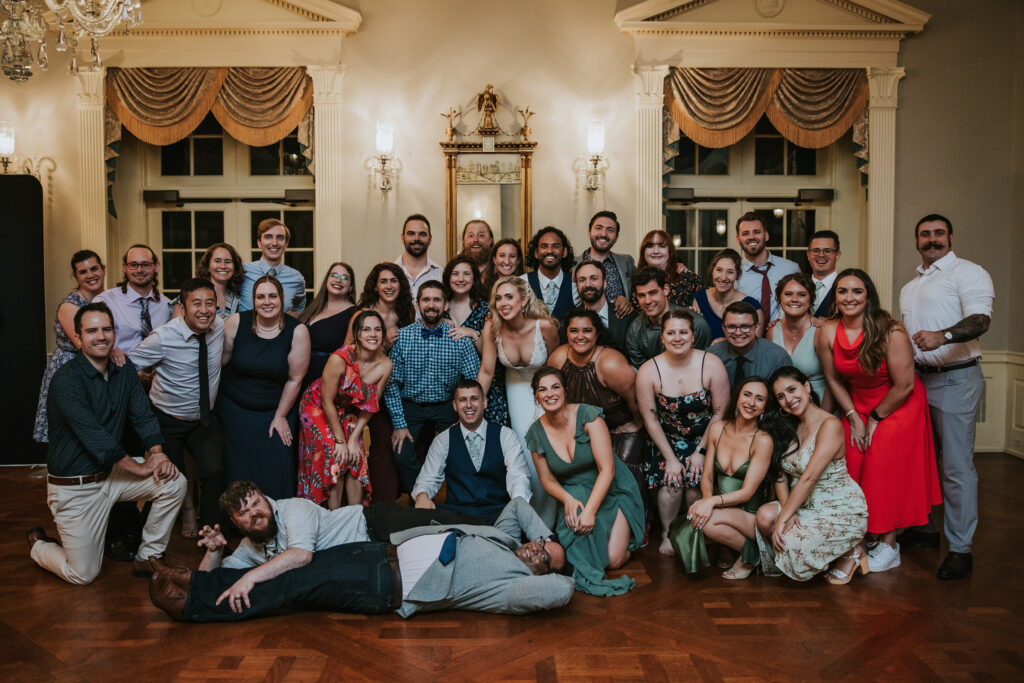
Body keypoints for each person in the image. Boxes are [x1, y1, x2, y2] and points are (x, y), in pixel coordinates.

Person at [149, 484, 572, 621]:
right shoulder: (508, 541)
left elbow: (558, 590)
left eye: (255, 502)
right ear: (237, 524)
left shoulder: (513, 584)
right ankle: (191, 587)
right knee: (454, 517)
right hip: (383, 547)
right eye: (244, 513)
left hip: (375, 536)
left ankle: (193, 605)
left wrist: (572, 570)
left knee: (291, 581)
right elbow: (517, 509)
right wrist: (211, 560)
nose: (254, 512)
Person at [26, 303, 186, 584]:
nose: (100, 336)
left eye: (106, 329)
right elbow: (97, 439)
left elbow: (144, 417)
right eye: (91, 331)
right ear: (78, 337)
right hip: (75, 488)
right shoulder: (66, 381)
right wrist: (139, 469)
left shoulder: (124, 371)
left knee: (174, 482)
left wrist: (158, 455)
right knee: (83, 574)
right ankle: (38, 546)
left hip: (110, 475)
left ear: (115, 332)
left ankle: (148, 557)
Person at [817, 268, 942, 574]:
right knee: (852, 457)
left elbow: (905, 385)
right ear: (835, 297)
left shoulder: (891, 331)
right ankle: (861, 536)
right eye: (842, 291)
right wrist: (852, 416)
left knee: (881, 461)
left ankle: (889, 544)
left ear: (868, 295)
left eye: (857, 291)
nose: (849, 297)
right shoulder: (827, 331)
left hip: (898, 403)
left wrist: (874, 418)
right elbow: (833, 380)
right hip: (856, 402)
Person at [899, 214, 994, 580]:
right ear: (917, 240)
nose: (932, 239)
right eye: (925, 234)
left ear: (951, 237)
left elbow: (981, 320)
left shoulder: (968, 272)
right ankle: (924, 530)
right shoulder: (911, 286)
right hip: (918, 382)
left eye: (939, 233)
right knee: (923, 460)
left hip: (956, 380)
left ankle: (960, 549)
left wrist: (944, 336)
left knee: (956, 468)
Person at [525, 367, 645, 596]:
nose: (550, 394)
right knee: (586, 542)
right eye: (542, 390)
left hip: (611, 486)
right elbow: (547, 480)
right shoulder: (536, 433)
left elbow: (607, 469)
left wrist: (590, 511)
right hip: (574, 491)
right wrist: (567, 499)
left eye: (555, 387)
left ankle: (630, 532)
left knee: (614, 561)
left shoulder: (589, 416)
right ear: (536, 397)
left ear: (565, 390)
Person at [755, 367, 869, 584]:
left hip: (837, 508)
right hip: (805, 505)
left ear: (806, 386)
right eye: (781, 396)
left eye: (792, 389)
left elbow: (809, 477)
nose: (788, 399)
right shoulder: (791, 425)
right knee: (763, 516)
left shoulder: (830, 425)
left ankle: (851, 552)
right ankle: (827, 556)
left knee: (788, 541)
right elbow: (780, 474)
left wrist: (783, 518)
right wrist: (788, 508)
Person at [129, 277, 226, 530]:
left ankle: (211, 536)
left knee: (215, 473)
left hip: (203, 419)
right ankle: (147, 536)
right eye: (196, 304)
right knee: (172, 478)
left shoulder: (220, 328)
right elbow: (127, 369)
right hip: (166, 420)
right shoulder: (162, 337)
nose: (204, 310)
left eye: (210, 303)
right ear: (182, 308)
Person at [636, 310, 730, 555]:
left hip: (705, 437)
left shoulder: (711, 364)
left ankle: (693, 532)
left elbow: (719, 413)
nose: (677, 338)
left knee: (694, 485)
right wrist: (670, 458)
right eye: (671, 332)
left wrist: (701, 451)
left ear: (693, 335)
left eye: (683, 332)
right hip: (665, 439)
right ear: (662, 338)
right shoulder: (648, 370)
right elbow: (650, 419)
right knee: (672, 483)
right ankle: (668, 533)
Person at [477, 275, 561, 525]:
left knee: (550, 447)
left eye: (509, 297)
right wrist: (479, 401)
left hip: (546, 387)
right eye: (498, 298)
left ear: (523, 300)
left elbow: (557, 365)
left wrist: (550, 396)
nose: (503, 302)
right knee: (526, 451)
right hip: (516, 388)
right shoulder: (492, 328)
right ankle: (529, 517)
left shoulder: (544, 326)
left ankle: (552, 521)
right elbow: (487, 371)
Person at [671, 377, 775, 578]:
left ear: (764, 408)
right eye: (747, 395)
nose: (751, 403)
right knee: (692, 522)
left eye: (759, 399)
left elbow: (747, 493)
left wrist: (710, 502)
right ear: (736, 398)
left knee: (707, 523)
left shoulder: (763, 440)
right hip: (723, 508)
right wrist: (707, 501)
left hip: (750, 515)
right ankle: (743, 551)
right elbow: (708, 476)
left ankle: (754, 556)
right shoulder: (717, 429)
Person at [384, 281, 481, 493]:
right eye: (426, 299)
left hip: (447, 404)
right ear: (417, 305)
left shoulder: (459, 338)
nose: (431, 304)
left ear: (446, 305)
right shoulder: (403, 337)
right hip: (411, 405)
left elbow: (474, 381)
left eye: (437, 300)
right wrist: (399, 424)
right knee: (401, 452)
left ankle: (458, 500)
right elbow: (391, 384)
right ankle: (419, 498)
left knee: (461, 453)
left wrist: (467, 415)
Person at [219, 276, 310, 500]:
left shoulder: (298, 331)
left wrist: (280, 416)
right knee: (235, 460)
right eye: (260, 297)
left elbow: (294, 379)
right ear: (253, 300)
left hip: (275, 408)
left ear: (282, 299)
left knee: (277, 453)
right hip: (233, 406)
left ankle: (275, 517)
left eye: (272, 296)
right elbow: (219, 364)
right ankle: (236, 521)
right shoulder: (236, 322)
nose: (266, 302)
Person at [548, 309, 646, 508]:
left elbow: (636, 399)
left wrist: (636, 424)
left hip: (619, 429)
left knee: (623, 474)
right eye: (574, 331)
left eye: (587, 331)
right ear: (566, 333)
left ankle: (638, 522)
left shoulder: (610, 363)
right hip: (583, 432)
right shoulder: (558, 358)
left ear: (596, 334)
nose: (580, 336)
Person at [297, 310, 393, 508]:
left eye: (377, 329)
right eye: (366, 329)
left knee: (355, 455)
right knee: (336, 453)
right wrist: (341, 440)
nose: (373, 334)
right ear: (357, 334)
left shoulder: (385, 365)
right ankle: (334, 517)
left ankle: (354, 518)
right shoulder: (339, 359)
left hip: (348, 409)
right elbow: (326, 401)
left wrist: (353, 439)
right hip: (317, 405)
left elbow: (370, 405)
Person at [345, 262, 416, 504]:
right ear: (375, 285)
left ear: (401, 285)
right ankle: (377, 503)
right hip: (367, 389)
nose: (389, 286)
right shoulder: (361, 314)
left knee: (396, 443)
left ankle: (392, 498)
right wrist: (383, 344)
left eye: (394, 281)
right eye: (383, 281)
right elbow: (348, 354)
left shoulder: (407, 313)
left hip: (399, 390)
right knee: (381, 444)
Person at [412, 380, 532, 521]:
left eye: (474, 398)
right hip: (457, 516)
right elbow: (427, 479)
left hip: (498, 515)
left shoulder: (506, 435)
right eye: (463, 400)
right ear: (455, 405)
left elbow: (519, 476)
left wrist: (518, 506)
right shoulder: (442, 440)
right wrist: (422, 495)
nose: (469, 405)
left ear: (485, 402)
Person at [34, 249, 106, 444]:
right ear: (75, 276)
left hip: (98, 367)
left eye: (94, 268)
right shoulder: (70, 306)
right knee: (71, 429)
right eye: (83, 272)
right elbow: (85, 345)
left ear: (103, 269)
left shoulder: (108, 300)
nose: (90, 275)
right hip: (71, 367)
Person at [626, 267, 712, 368]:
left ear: (666, 290)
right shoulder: (634, 331)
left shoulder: (696, 323)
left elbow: (705, 365)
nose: (647, 301)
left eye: (653, 293)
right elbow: (640, 371)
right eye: (641, 295)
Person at [95, 244, 172, 354]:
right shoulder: (106, 301)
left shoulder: (167, 305)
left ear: (156, 267)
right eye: (133, 265)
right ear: (124, 268)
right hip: (118, 368)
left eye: (145, 264)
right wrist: (110, 352)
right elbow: (93, 340)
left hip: (157, 370)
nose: (139, 270)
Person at [769, 273, 829, 407]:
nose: (794, 299)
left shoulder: (820, 330)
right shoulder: (772, 331)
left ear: (811, 299)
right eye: (788, 294)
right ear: (779, 299)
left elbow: (835, 381)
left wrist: (823, 417)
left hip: (820, 404)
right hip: (785, 407)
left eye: (802, 294)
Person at [299, 261, 358, 388]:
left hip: (325, 380)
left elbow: (350, 356)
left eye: (344, 278)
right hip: (300, 376)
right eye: (334, 275)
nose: (338, 280)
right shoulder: (313, 307)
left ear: (351, 286)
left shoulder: (355, 314)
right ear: (327, 280)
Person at [733, 212, 800, 323]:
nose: (751, 237)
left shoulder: (791, 269)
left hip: (783, 337)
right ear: (738, 239)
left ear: (766, 235)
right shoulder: (732, 274)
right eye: (745, 233)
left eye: (757, 232)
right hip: (744, 336)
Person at [709, 302, 791, 386]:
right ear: (724, 328)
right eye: (732, 327)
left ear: (757, 327)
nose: (738, 333)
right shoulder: (711, 356)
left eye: (745, 327)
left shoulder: (778, 358)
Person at [692, 248, 764, 341]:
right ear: (712, 271)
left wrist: (725, 344)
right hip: (704, 354)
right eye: (719, 270)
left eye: (730, 272)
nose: (723, 277)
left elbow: (755, 347)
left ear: (737, 275)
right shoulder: (700, 298)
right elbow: (694, 338)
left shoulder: (753, 307)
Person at [239, 218, 307, 316]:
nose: (274, 243)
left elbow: (299, 308)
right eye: (268, 237)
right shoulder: (243, 271)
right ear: (259, 242)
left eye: (280, 238)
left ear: (286, 244)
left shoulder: (296, 278)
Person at [579, 210, 635, 318]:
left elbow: (642, 291)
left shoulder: (627, 262)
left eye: (610, 230)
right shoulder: (573, 264)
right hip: (583, 327)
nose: (604, 234)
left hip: (618, 328)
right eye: (598, 228)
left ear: (616, 237)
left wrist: (627, 302)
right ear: (589, 232)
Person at [570, 260, 635, 348]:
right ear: (577, 285)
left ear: (604, 284)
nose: (588, 284)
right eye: (582, 280)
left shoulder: (626, 316)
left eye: (593, 278)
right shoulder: (570, 320)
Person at [522, 226, 579, 320]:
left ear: (564, 252)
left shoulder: (575, 284)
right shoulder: (523, 282)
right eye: (544, 246)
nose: (549, 251)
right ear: (536, 253)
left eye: (555, 246)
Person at [635, 229, 702, 308]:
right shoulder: (635, 280)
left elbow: (700, 316)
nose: (656, 251)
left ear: (670, 251)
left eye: (662, 246)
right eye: (650, 246)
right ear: (643, 252)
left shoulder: (691, 280)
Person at [179, 242, 244, 320]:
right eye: (217, 261)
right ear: (208, 266)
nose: (223, 266)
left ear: (235, 267)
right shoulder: (190, 295)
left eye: (228, 262)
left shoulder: (240, 300)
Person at [394, 213, 443, 301]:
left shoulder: (441, 275)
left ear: (430, 239)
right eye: (411, 234)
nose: (416, 238)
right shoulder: (389, 273)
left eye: (422, 234)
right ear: (402, 238)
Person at [807, 230, 841, 319]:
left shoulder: (846, 287)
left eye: (827, 251)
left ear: (837, 255)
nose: (821, 255)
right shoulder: (799, 285)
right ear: (808, 254)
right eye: (816, 250)